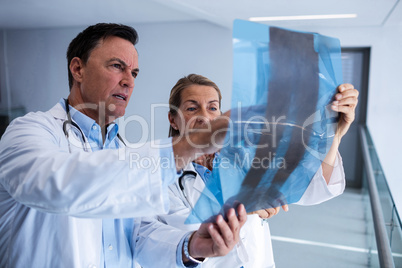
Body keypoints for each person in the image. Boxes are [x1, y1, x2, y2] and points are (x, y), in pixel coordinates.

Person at [0, 24, 247, 268]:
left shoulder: (122, 150)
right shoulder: (29, 131)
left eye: (135, 73)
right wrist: (190, 145)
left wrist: (190, 246)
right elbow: (54, 184)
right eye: (117, 66)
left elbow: (139, 235)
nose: (129, 81)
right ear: (78, 69)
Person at [135, 74, 359, 267]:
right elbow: (154, 243)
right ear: (173, 119)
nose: (205, 115)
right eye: (192, 108)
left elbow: (313, 188)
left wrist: (334, 134)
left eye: (213, 107)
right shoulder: (156, 172)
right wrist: (242, 206)